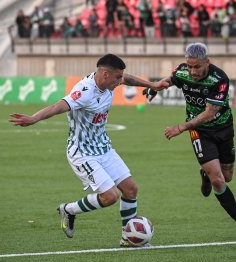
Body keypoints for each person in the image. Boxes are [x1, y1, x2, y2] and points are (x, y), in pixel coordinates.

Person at [9, 54, 168, 247]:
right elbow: (58, 106)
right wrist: (34, 118)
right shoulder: (84, 91)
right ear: (106, 74)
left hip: (103, 147)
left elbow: (129, 78)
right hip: (82, 152)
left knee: (131, 189)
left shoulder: (111, 81)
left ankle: (128, 238)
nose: (120, 81)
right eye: (117, 77)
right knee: (110, 196)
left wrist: (152, 85)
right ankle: (68, 210)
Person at [142, 43, 236, 239]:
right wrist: (155, 89)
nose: (192, 71)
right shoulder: (183, 71)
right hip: (199, 132)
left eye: (197, 66)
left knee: (227, 176)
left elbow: (209, 113)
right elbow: (169, 80)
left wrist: (180, 127)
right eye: (189, 66)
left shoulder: (219, 79)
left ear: (207, 62)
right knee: (218, 180)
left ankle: (204, 173)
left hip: (223, 128)